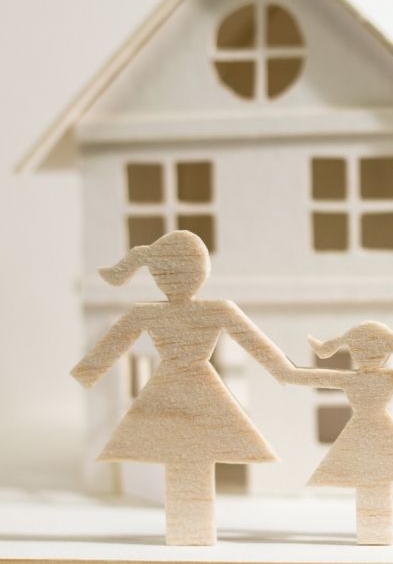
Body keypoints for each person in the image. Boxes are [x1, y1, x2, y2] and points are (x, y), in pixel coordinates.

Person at [70, 231, 297, 546]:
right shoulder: (200, 311)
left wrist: (291, 373)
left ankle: (192, 531)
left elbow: (98, 360)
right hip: (185, 394)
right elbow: (266, 353)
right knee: (183, 455)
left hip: (179, 392)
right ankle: (188, 532)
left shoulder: (181, 311)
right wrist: (290, 374)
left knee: (188, 456)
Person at [284, 322, 393, 545]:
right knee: (371, 477)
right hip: (372, 432)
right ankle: (372, 531)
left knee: (374, 477)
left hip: (369, 432)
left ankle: (375, 531)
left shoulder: (366, 378)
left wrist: (280, 369)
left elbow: (301, 376)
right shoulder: (378, 378)